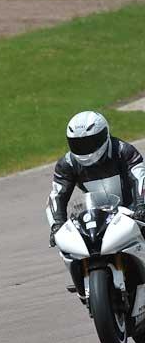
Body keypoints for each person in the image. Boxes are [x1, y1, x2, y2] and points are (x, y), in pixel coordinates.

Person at [47, 111, 145, 292]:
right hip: (98, 211)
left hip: (132, 208)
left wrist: (141, 206)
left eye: (91, 142)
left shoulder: (124, 151)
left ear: (105, 135)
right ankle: (82, 279)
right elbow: (57, 196)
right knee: (75, 243)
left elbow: (140, 178)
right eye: (78, 144)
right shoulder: (67, 164)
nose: (85, 149)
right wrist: (56, 225)